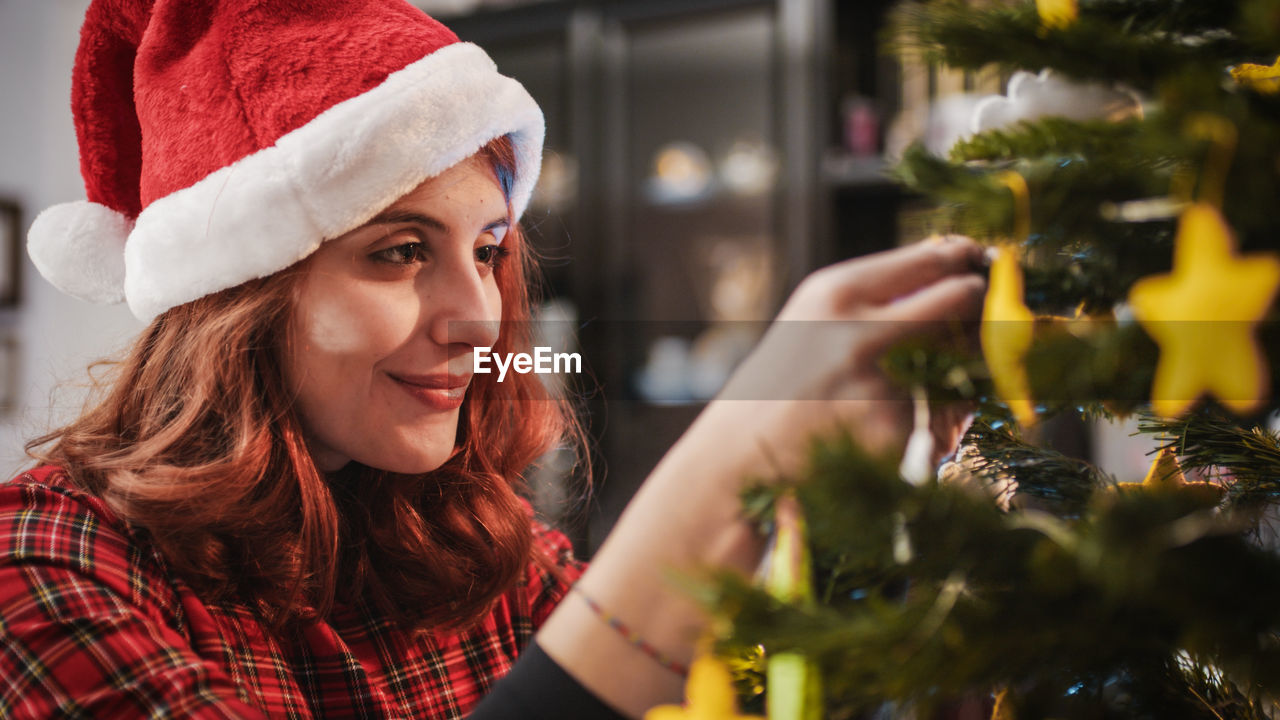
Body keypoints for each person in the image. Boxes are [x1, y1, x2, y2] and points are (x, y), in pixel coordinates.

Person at [2, 0, 988, 718]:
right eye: (397, 252)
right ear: (232, 298)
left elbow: (733, 687)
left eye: (486, 252)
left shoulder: (470, 551)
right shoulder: (47, 573)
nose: (479, 316)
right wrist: (726, 465)